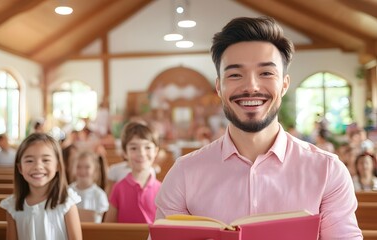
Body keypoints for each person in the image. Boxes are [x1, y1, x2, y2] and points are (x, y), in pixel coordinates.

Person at [154, 16, 362, 239]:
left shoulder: (327, 171)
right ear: (219, 87)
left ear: (284, 84)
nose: (251, 87)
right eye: (235, 75)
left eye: (266, 73)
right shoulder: (184, 174)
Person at [0, 133, 82, 240]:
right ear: (20, 168)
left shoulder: (66, 202)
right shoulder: (13, 205)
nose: (38, 166)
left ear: (57, 165)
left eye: (46, 160)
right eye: (29, 160)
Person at [104, 121, 161, 223]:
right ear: (125, 153)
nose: (141, 153)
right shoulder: (119, 188)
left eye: (147, 147)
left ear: (156, 151)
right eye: (134, 148)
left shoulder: (162, 189)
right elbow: (108, 226)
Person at [70, 151, 109, 223]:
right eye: (79, 167)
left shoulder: (100, 194)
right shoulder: (68, 191)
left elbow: (102, 220)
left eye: (87, 167)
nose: (82, 171)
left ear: (94, 169)